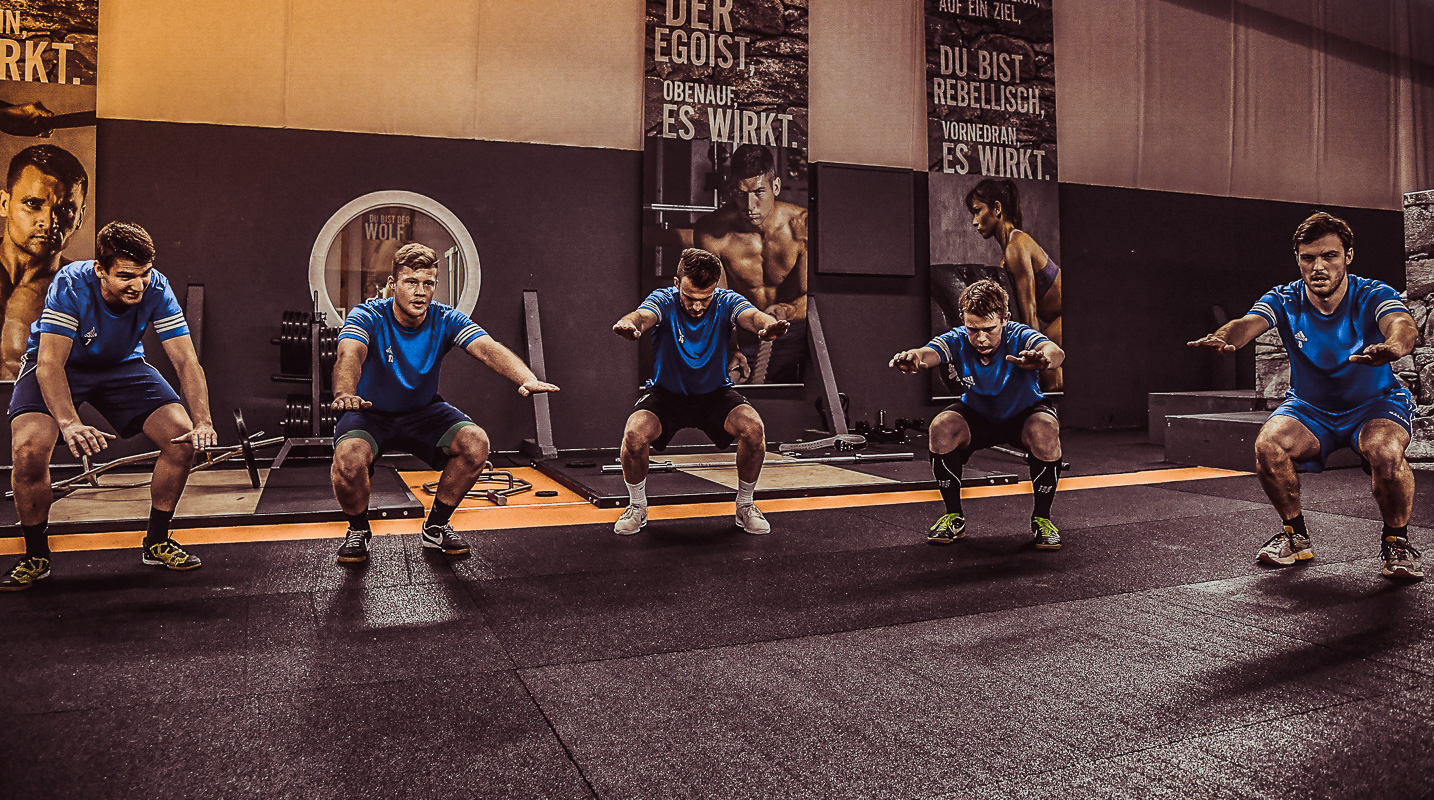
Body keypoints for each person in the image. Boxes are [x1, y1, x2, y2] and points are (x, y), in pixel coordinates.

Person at [1189, 212, 1422, 581]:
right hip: (1311, 408)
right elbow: (1246, 323)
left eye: (1329, 255)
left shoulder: (1373, 293)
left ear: (1348, 256)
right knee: (1269, 444)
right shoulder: (1284, 298)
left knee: (1385, 451)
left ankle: (1396, 541)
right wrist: (1225, 336)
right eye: (1308, 257)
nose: (1318, 266)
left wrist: (1394, 346)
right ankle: (1295, 537)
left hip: (1374, 404)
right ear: (1297, 259)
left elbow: (1401, 324)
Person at [0, 221, 216, 590]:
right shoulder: (71, 284)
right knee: (29, 449)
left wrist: (203, 421)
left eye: (145, 274)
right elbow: (50, 364)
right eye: (127, 276)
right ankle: (35, 553)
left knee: (181, 439)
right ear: (101, 269)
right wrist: (69, 423)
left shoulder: (156, 288)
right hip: (59, 364)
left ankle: (157, 540)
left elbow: (186, 362)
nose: (139, 285)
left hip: (121, 366)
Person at [330, 243, 557, 564]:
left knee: (476, 443)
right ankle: (358, 530)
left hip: (423, 412)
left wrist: (525, 377)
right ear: (393, 284)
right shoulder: (368, 315)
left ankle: (436, 526)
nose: (420, 291)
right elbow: (350, 354)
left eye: (428, 283)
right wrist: (344, 392)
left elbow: (488, 348)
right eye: (411, 282)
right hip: (369, 412)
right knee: (348, 460)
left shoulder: (445, 318)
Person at [611, 247, 789, 535]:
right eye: (690, 297)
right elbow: (642, 316)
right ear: (676, 283)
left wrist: (767, 327)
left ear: (715, 289)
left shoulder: (726, 301)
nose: (696, 306)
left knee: (754, 428)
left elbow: (754, 317)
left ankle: (745, 506)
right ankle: (637, 507)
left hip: (714, 396)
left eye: (704, 299)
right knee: (634, 434)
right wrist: (630, 324)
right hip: (666, 396)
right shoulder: (664, 300)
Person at [890, 279, 1066, 550]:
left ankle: (1042, 519)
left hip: (1023, 414)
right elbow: (928, 352)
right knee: (942, 426)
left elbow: (1055, 351)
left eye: (989, 329)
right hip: (978, 414)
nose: (981, 338)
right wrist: (913, 357)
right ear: (963, 320)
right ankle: (953, 516)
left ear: (1005, 319)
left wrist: (1044, 360)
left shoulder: (1019, 335)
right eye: (973, 329)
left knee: (1045, 426)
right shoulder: (957, 339)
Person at [694, 143, 808, 385]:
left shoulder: (801, 226)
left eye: (759, 192)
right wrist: (731, 350)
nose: (750, 205)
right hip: (744, 338)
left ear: (775, 186)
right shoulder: (712, 232)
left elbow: (813, 298)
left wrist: (786, 310)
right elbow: (719, 302)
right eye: (740, 193)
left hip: (795, 337)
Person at [966, 178, 1063, 392]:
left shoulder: (1016, 245)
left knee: (1048, 377)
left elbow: (1030, 312)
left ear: (997, 208)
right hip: (1054, 320)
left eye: (978, 211)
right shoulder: (1009, 251)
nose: (974, 221)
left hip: (1065, 319)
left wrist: (1032, 358)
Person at [0, 145, 88, 379]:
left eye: (65, 210)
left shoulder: (82, 293)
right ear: (4, 204)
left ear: (80, 217)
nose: (48, 223)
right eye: (33, 204)